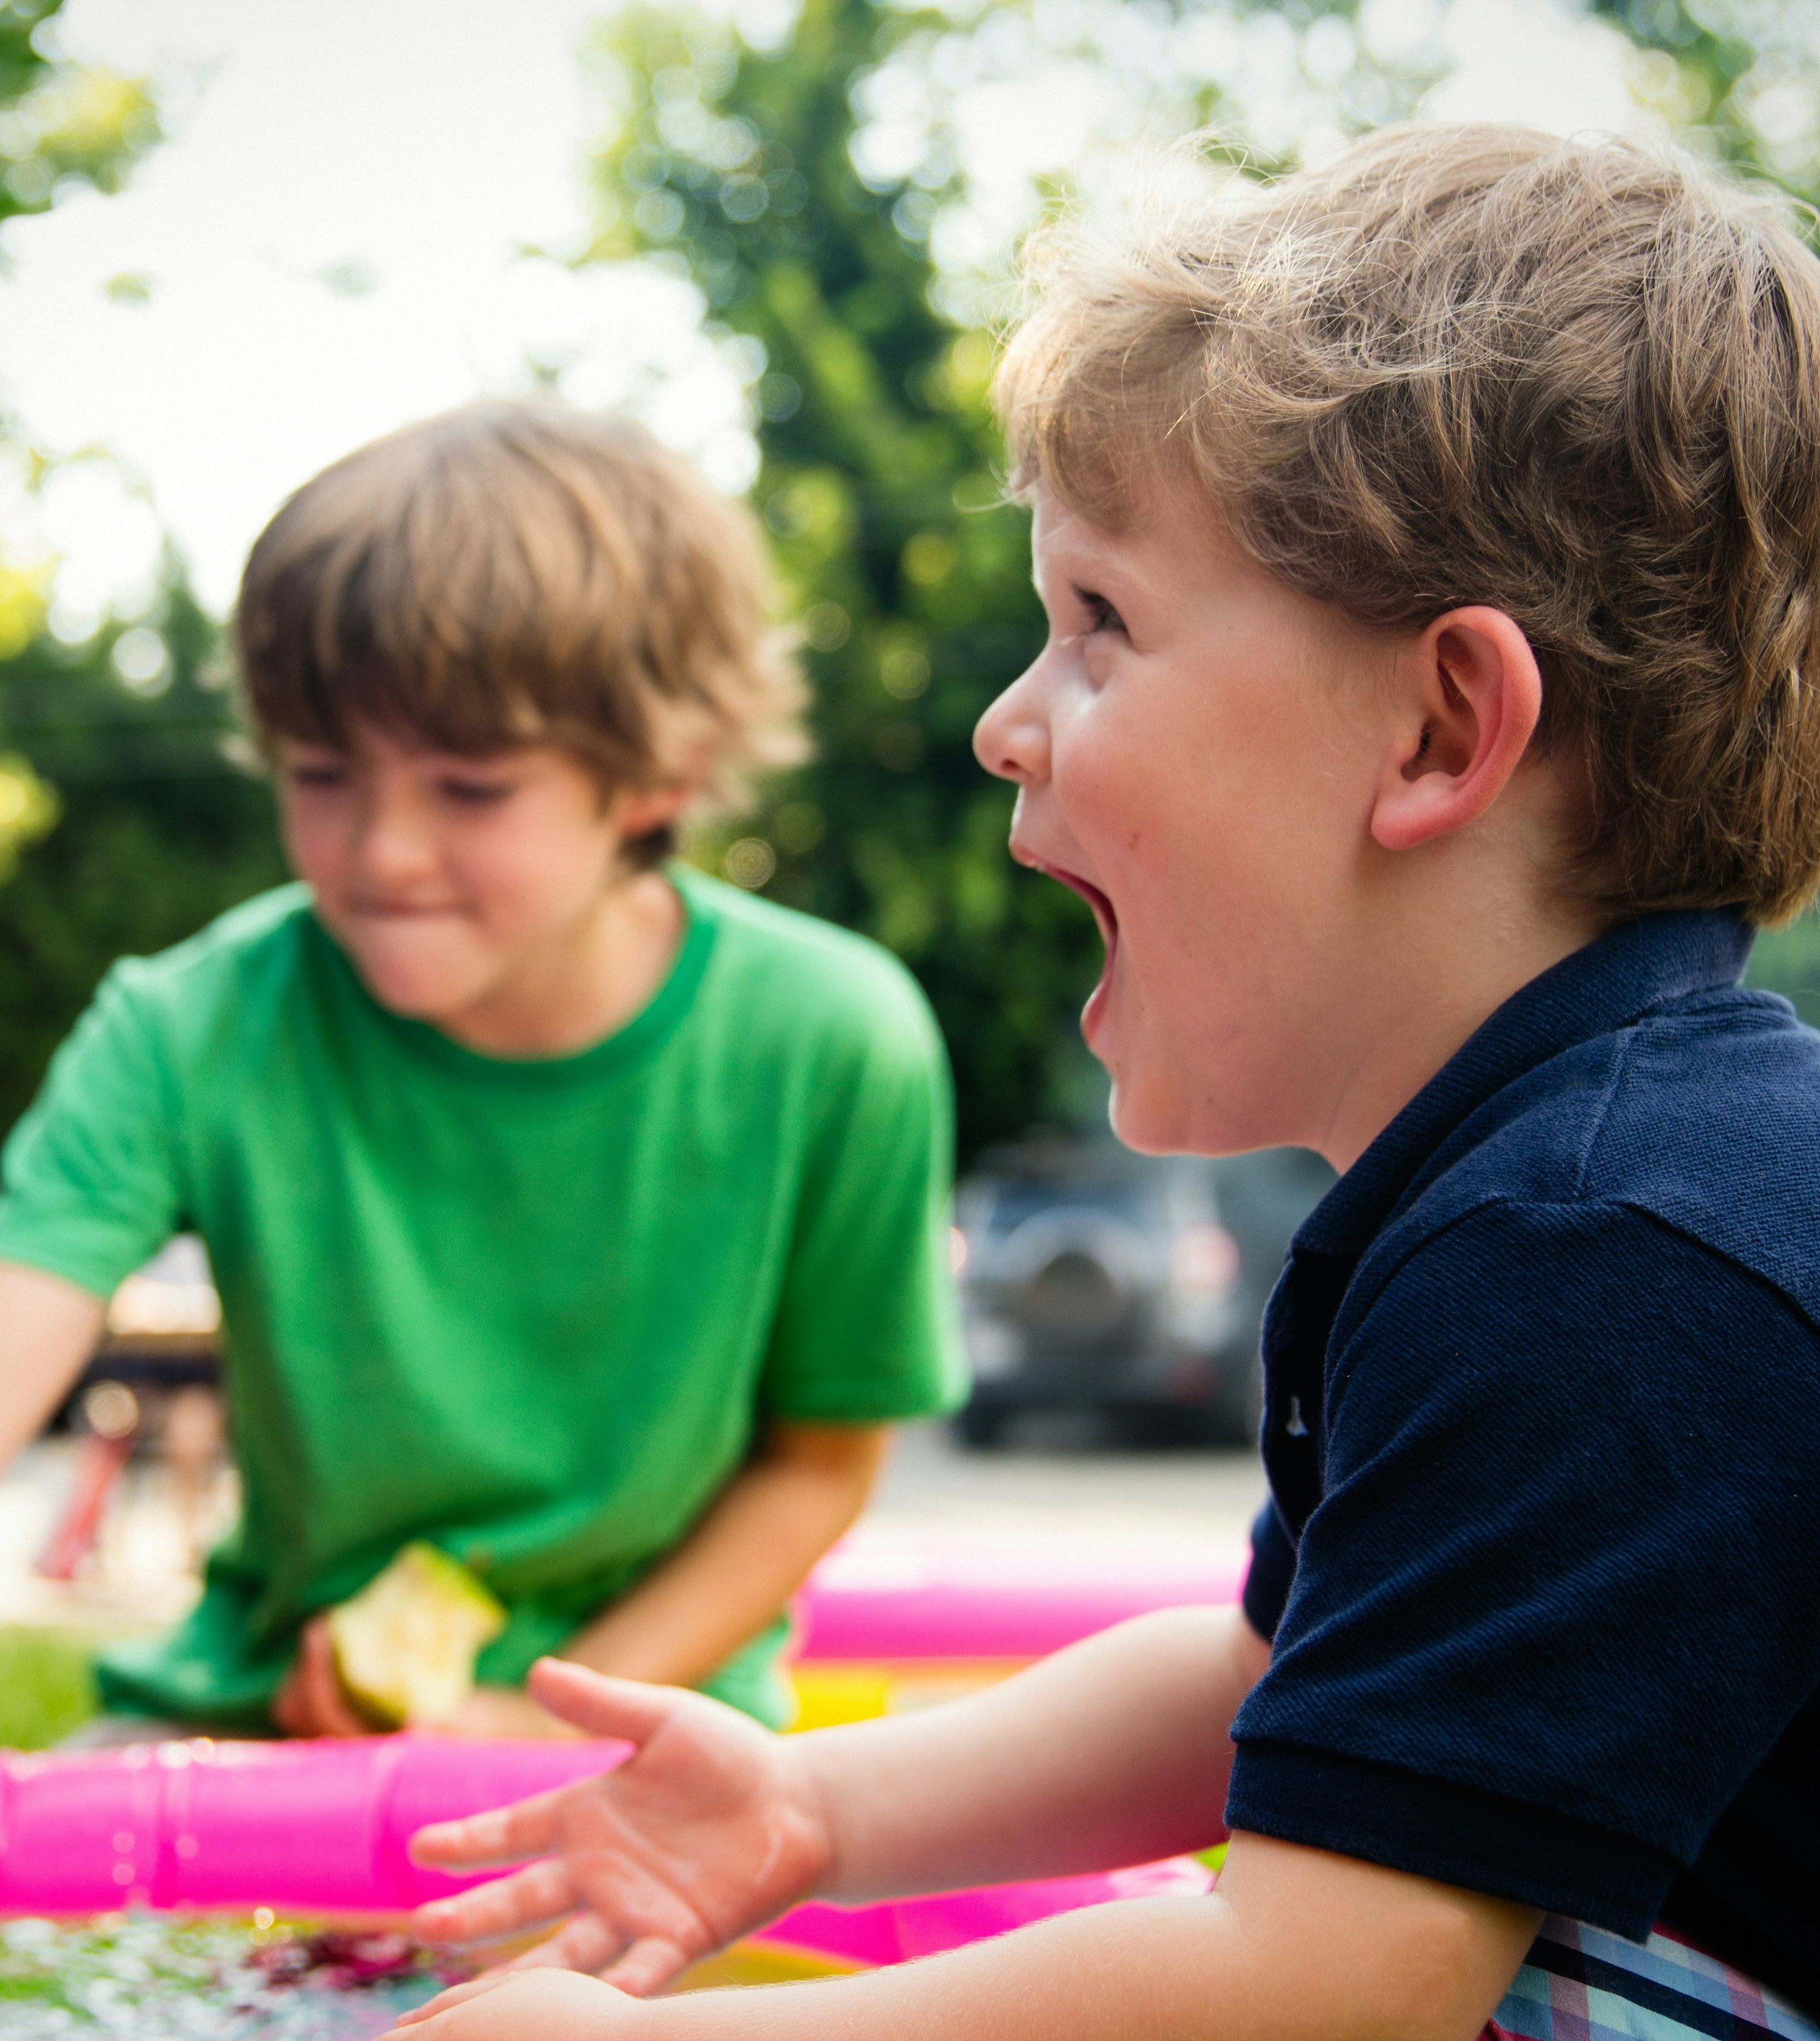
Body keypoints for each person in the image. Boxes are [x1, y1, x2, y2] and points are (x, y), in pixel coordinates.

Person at [371, 127, 1820, 2040]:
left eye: (1098, 621)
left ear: (1439, 722)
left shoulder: (1594, 1249)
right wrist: (816, 1801)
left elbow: (1331, 1973)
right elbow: (1268, 1668)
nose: (1000, 718)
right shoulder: (1539, 1181)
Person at [0, 402, 964, 1747]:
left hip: (645, 1741)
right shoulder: (188, 1026)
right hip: (250, 1724)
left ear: (659, 773)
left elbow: (816, 1466)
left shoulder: (833, 1037)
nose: (382, 852)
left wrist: (539, 1715)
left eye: (469, 787)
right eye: (322, 773)